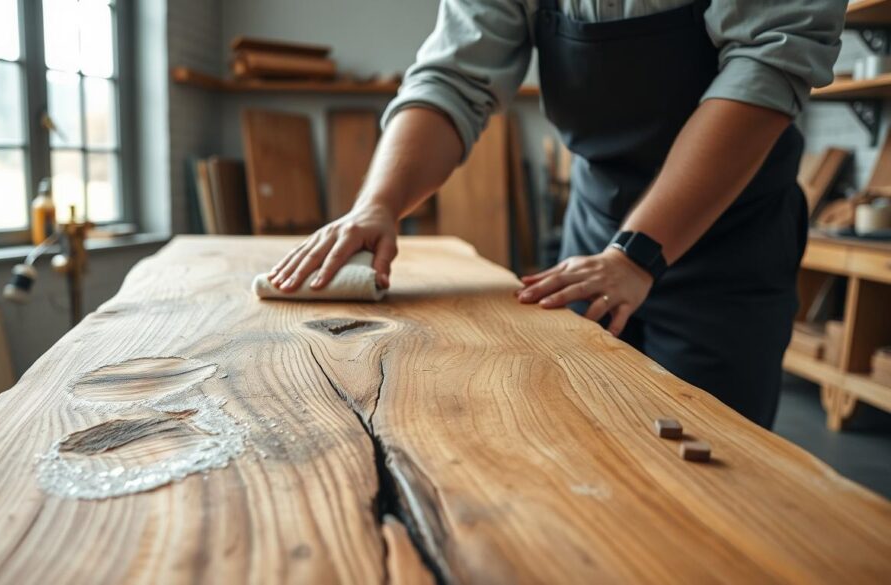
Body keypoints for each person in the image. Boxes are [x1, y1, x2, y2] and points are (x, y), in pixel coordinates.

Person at [267, 0, 846, 428]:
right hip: (594, 235)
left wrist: (639, 251)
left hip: (727, 239)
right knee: (577, 433)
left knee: (709, 467)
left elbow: (769, 64)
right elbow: (453, 78)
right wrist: (379, 203)